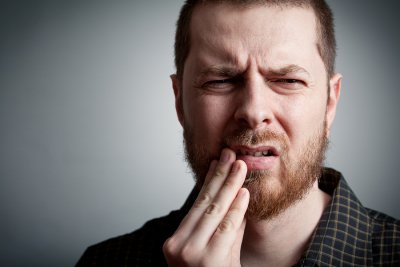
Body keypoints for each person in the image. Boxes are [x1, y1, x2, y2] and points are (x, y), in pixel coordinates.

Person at [76, 0, 400, 266]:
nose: (253, 112)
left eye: (288, 81)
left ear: (330, 101)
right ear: (179, 102)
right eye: (219, 81)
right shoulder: (106, 262)